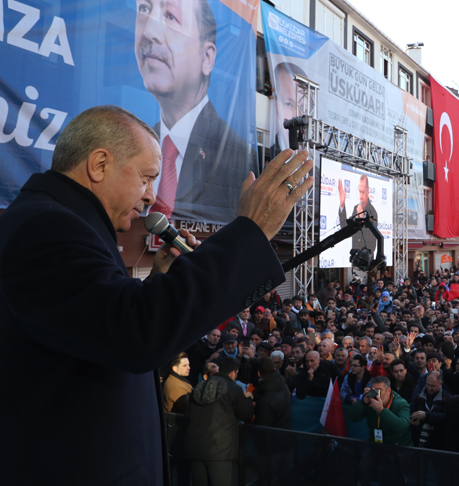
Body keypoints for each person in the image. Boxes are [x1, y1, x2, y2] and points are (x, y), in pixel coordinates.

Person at [0, 105, 311, 484]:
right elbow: (134, 334)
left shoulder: (57, 222)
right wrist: (250, 232)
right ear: (99, 165)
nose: (151, 198)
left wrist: (158, 281)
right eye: (147, 179)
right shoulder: (46, 229)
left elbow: (99, 331)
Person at [134, 0, 256, 223]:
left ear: (207, 58)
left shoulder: (235, 154)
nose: (149, 31)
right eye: (144, 9)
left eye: (171, 16)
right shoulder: (138, 145)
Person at [183, 358, 255, 486]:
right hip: (220, 452)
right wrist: (247, 399)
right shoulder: (233, 388)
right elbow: (247, 415)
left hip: (195, 449)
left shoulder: (199, 386)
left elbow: (188, 414)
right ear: (233, 373)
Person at [346, 376, 412, 446]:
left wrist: (381, 410)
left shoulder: (400, 403)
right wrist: (363, 402)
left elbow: (402, 427)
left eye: (379, 390)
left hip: (399, 447)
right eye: (373, 390)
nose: (376, 394)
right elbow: (351, 417)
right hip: (376, 446)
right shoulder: (370, 403)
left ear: (388, 391)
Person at [409, 370, 450, 450]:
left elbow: (447, 417)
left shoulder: (447, 399)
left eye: (433, 386)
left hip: (438, 441)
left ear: (440, 384)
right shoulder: (418, 397)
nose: (429, 388)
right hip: (418, 438)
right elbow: (410, 412)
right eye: (427, 384)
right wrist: (412, 420)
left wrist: (426, 415)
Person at [338, 174, 379, 252]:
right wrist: (342, 204)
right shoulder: (356, 208)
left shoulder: (373, 212)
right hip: (355, 259)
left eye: (363, 192)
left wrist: (362, 216)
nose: (361, 196)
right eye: (360, 192)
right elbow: (345, 227)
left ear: (368, 191)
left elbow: (372, 243)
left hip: (366, 261)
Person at [252, 357, 292, 430]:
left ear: (258, 373)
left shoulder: (265, 400)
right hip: (284, 432)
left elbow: (261, 427)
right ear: (274, 368)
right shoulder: (282, 385)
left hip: (272, 437)